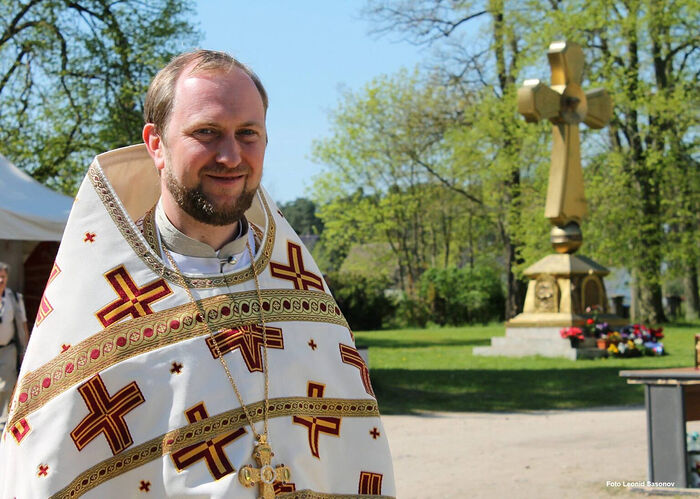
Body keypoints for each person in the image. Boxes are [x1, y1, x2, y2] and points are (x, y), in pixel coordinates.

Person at [0, 50, 395, 498]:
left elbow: (353, 457)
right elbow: (48, 469)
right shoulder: (98, 311)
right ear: (156, 145)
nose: (230, 156)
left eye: (248, 134)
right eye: (206, 133)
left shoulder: (302, 297)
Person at [0, 262, 29, 433]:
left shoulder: (15, 298)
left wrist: (24, 350)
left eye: (3, 276)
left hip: (7, 349)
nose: (0, 279)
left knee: (6, 386)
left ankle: (3, 423)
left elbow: (22, 325)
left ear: (7, 278)